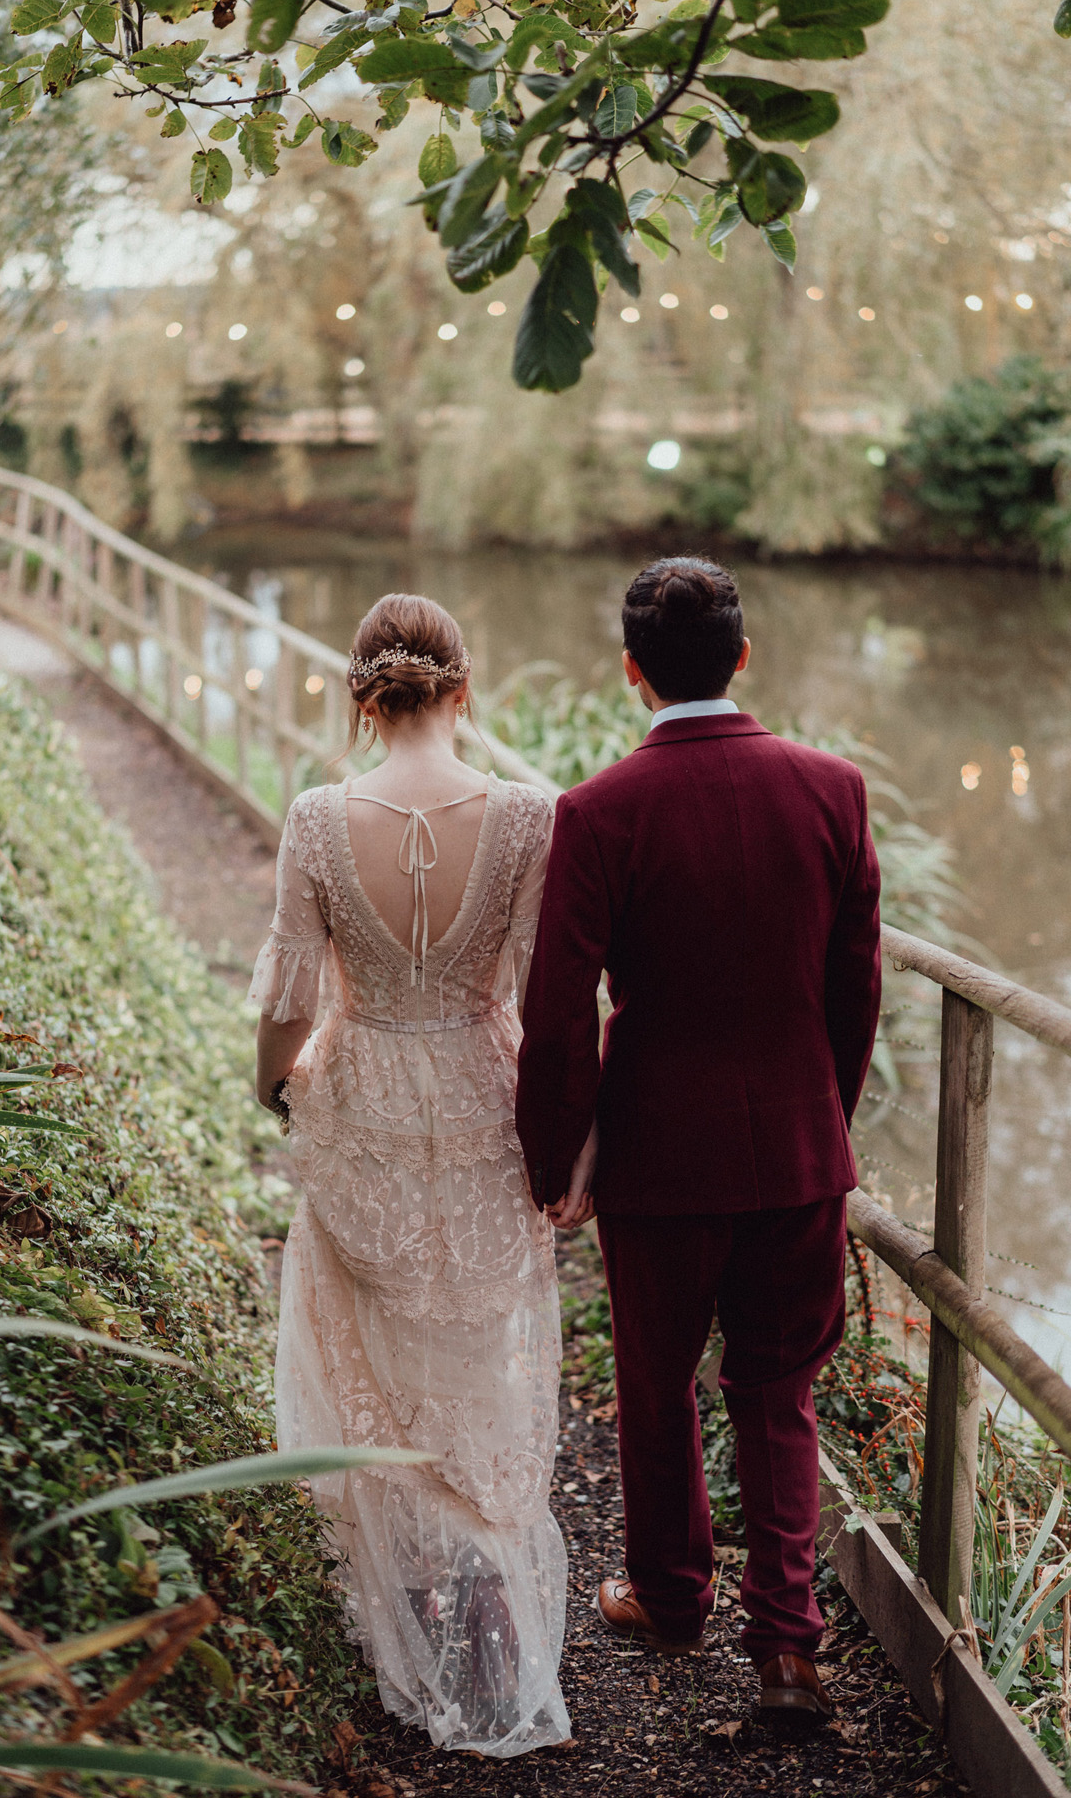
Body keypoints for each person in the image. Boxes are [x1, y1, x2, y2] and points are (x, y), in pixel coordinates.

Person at [515, 556, 881, 1726]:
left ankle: (672, 1596)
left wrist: (554, 1151)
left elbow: (560, 1006)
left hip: (658, 1153)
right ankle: (787, 1652)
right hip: (795, 1146)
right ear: (743, 654)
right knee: (780, 1392)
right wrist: (825, 1110)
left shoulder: (598, 810)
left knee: (657, 1383)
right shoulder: (834, 788)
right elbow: (855, 983)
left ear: (632, 672)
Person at [250, 594, 570, 1757]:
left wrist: (277, 1083)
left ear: (360, 694)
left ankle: (412, 1588)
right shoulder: (531, 815)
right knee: (476, 1342)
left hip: (369, 1085)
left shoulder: (319, 817)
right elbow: (546, 997)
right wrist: (565, 1130)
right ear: (464, 688)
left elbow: (290, 999)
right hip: (486, 1086)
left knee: (373, 1347)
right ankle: (487, 1589)